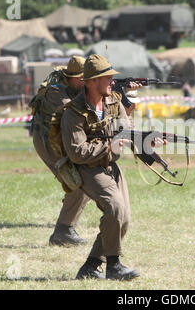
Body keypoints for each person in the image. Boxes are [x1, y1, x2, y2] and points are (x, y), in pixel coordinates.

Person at [60, 54, 143, 281]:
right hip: (88, 169)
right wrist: (109, 146)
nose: (112, 82)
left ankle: (90, 266)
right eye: (107, 78)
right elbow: (77, 151)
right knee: (115, 209)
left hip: (110, 167)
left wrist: (148, 142)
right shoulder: (73, 112)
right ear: (91, 82)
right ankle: (114, 267)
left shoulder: (114, 101)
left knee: (122, 220)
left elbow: (126, 130)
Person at [29, 56, 90, 246]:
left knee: (83, 182)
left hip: (60, 139)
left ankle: (66, 226)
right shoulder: (56, 92)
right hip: (47, 142)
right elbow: (75, 112)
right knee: (77, 183)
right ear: (70, 77)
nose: (84, 83)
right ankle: (63, 232)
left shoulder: (74, 88)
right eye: (82, 79)